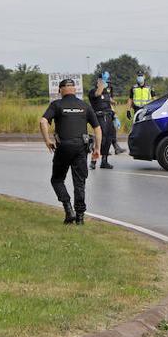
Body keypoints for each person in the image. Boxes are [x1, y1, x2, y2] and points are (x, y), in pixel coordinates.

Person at [40, 78, 103, 224]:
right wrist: (97, 149)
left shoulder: (57, 105)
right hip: (81, 147)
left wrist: (47, 141)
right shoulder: (84, 106)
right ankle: (80, 218)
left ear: (60, 90)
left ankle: (69, 209)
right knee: (79, 183)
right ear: (74, 90)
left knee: (57, 179)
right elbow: (97, 128)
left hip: (63, 148)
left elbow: (43, 121)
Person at [87, 73, 119, 168]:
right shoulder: (93, 91)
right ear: (98, 82)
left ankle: (104, 161)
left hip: (109, 117)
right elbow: (98, 93)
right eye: (103, 81)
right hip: (100, 117)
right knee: (101, 138)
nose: (106, 84)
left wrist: (115, 117)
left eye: (106, 81)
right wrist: (102, 82)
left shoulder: (106, 93)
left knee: (109, 138)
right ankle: (93, 161)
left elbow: (110, 105)